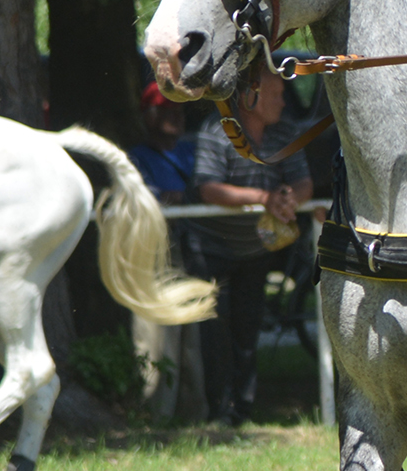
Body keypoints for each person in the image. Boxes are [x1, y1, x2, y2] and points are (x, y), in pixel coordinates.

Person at [189, 69, 312, 423]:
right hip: (210, 249)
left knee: (247, 329)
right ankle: (217, 410)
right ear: (251, 98)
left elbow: (302, 181)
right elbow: (208, 188)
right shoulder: (216, 132)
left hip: (255, 250)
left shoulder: (285, 131)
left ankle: (241, 409)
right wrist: (264, 198)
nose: (284, 101)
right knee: (214, 332)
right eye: (276, 95)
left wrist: (290, 197)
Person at [126, 82, 196, 205]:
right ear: (149, 116)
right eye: (169, 111)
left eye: (180, 110)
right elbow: (146, 200)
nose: (177, 116)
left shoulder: (192, 150)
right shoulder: (136, 158)